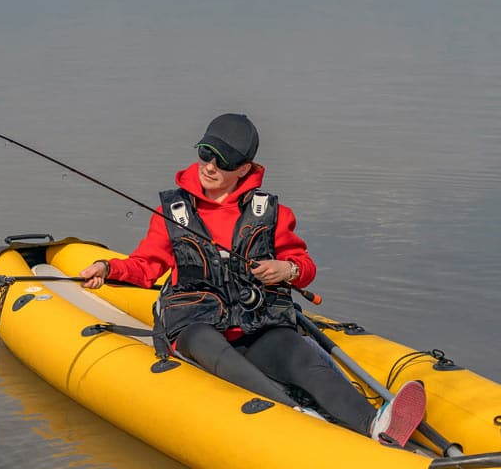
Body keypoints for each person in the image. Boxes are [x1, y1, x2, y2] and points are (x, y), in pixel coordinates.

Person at [80, 113, 425, 445]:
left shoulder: (272, 213)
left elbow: (304, 266)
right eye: (205, 153)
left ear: (244, 168)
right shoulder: (173, 212)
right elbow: (146, 265)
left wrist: (285, 269)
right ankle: (299, 416)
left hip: (256, 325)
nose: (210, 166)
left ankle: (374, 425)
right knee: (210, 346)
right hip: (194, 325)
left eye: (223, 161)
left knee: (299, 354)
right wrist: (107, 269)